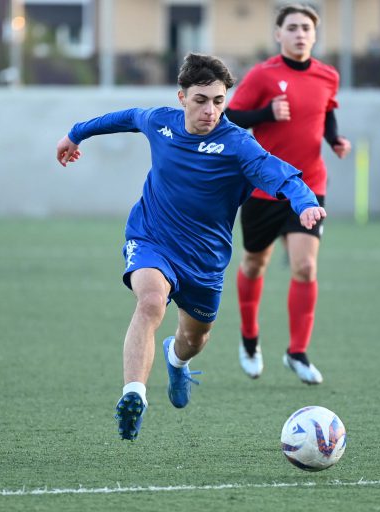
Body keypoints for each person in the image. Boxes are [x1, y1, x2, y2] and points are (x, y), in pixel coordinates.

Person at [55, 53, 325, 441]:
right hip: (151, 238)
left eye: (218, 101)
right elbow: (128, 116)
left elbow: (280, 175)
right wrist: (76, 133)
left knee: (193, 339)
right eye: (201, 100)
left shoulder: (238, 145)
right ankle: (134, 395)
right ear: (182, 97)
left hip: (204, 261)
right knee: (151, 302)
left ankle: (176, 360)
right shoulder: (161, 122)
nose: (210, 110)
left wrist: (305, 203)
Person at [225, 3, 351, 384]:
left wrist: (334, 139)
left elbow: (326, 112)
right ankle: (250, 339)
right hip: (264, 187)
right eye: (292, 27)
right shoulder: (263, 74)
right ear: (278, 34)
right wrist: (266, 113)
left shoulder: (328, 75)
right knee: (253, 264)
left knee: (306, 267)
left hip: (309, 187)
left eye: (306, 28)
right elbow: (231, 116)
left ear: (314, 35)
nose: (300, 34)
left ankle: (297, 352)